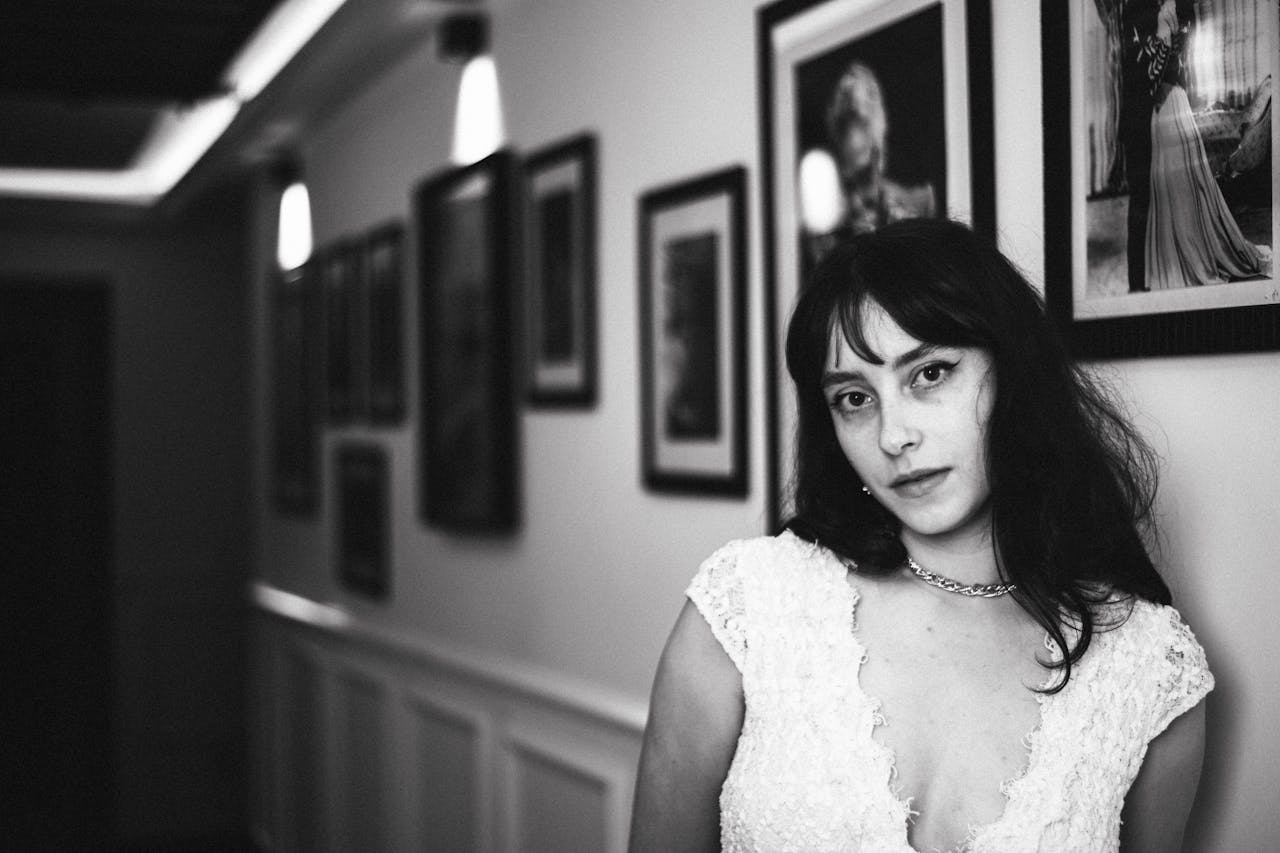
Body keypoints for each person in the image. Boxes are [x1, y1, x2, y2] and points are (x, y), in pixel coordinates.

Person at [629, 218, 1213, 852]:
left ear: (1016, 371)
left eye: (929, 374)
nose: (893, 436)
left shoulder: (1149, 667)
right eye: (854, 397)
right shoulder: (746, 609)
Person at [1144, 0, 1265, 289]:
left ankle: (1186, 252)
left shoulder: (1165, 14)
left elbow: (1155, 72)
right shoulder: (1166, 13)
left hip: (1168, 102)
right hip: (1174, 101)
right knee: (1177, 184)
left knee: (1178, 186)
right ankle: (1181, 247)